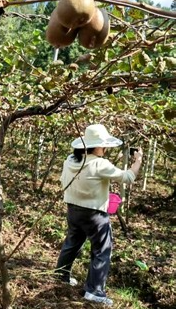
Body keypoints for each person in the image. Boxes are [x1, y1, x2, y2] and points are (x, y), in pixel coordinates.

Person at [55, 124, 143, 307]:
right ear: (96, 146)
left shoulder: (71, 160)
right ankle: (94, 291)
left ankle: (61, 275)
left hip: (73, 209)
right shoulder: (99, 163)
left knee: (72, 242)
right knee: (102, 249)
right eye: (103, 145)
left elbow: (64, 180)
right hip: (94, 213)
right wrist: (138, 161)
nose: (105, 148)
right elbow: (127, 178)